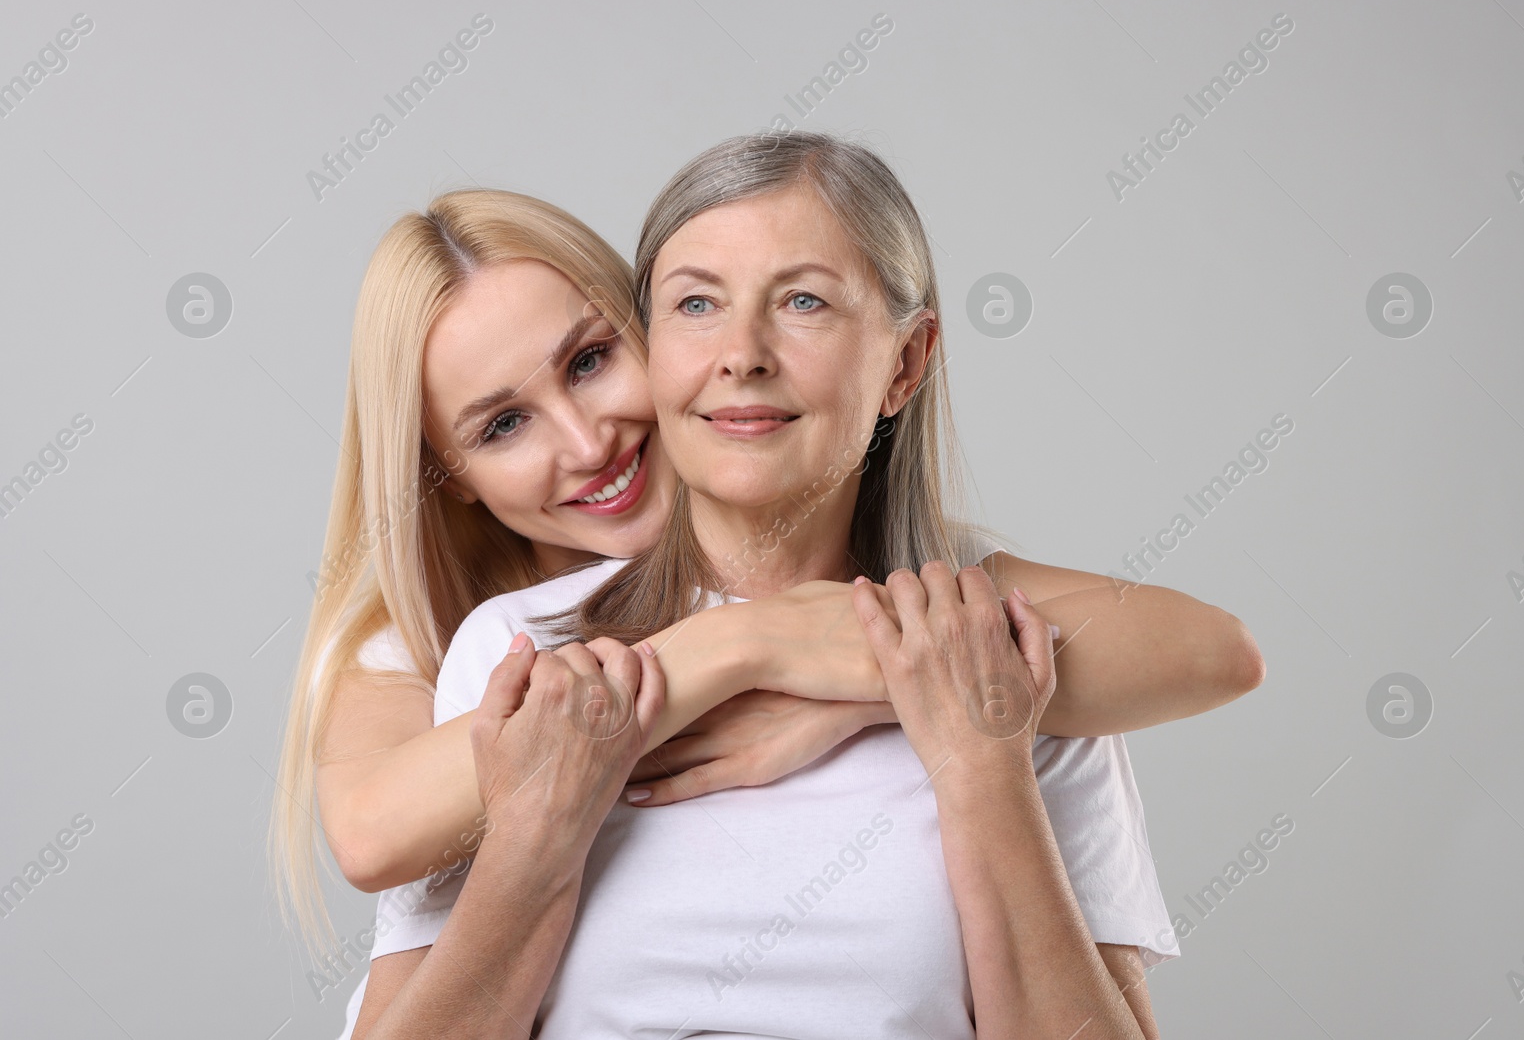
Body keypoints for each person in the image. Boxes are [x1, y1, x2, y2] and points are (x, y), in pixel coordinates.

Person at [345, 131, 1246, 1037]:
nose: (742, 353)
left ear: (905, 362)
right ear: (659, 348)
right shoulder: (518, 653)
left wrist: (976, 755)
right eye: (697, 303)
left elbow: (1221, 650)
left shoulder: (1000, 656)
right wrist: (537, 834)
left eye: (804, 301)